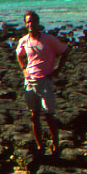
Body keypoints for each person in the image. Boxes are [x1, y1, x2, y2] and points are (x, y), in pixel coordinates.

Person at [16, 10, 69, 155]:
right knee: (34, 115)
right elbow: (19, 55)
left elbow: (65, 50)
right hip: (30, 82)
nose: (30, 24)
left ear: (38, 23)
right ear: (25, 24)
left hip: (45, 81)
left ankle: (55, 145)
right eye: (27, 22)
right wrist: (24, 70)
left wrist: (58, 69)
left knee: (49, 115)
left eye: (33, 21)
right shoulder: (24, 40)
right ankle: (40, 145)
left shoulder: (48, 39)